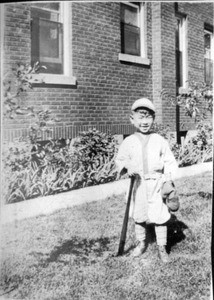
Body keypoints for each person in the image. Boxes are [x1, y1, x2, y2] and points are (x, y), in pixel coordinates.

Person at [115, 98, 179, 263]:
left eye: (148, 117)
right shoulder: (129, 141)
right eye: (140, 118)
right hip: (138, 184)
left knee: (159, 214)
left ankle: (162, 247)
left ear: (153, 118)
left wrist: (168, 179)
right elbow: (120, 160)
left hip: (157, 182)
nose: (144, 122)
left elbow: (169, 161)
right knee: (140, 214)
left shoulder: (159, 140)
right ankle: (142, 243)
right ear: (132, 119)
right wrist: (127, 168)